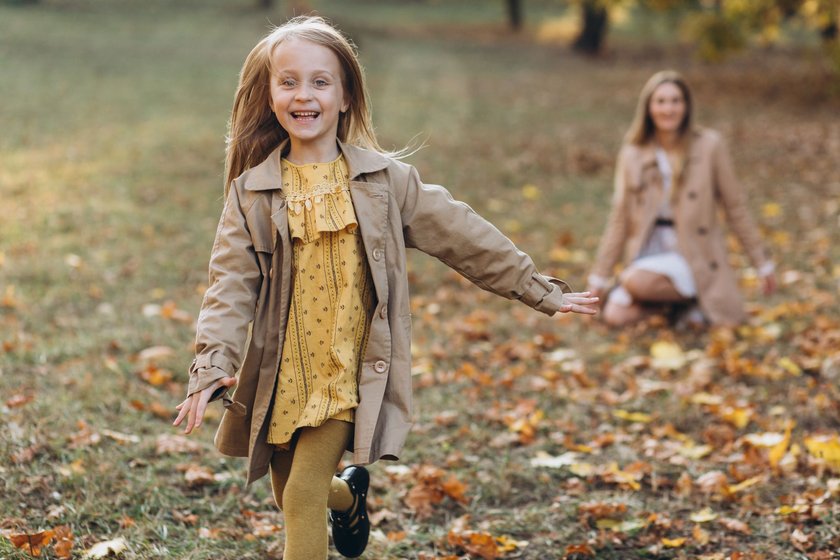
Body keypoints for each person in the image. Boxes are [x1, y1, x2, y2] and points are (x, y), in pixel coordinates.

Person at [172, 16, 598, 560]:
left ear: (346, 95)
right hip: (282, 374)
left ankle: (334, 496)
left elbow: (464, 234)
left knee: (300, 497)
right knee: (290, 494)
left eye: (321, 82)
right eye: (289, 82)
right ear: (270, 94)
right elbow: (230, 286)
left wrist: (539, 289)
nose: (304, 95)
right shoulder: (252, 193)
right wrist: (211, 365)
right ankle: (348, 498)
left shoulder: (384, 182)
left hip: (346, 370)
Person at [586, 70, 776, 328]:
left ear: (686, 106)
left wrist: (761, 263)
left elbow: (736, 207)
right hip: (648, 249)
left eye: (676, 101)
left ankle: (697, 297)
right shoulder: (633, 153)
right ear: (649, 107)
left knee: (637, 282)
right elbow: (619, 219)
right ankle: (683, 307)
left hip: (691, 250)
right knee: (616, 316)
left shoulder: (709, 146)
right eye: (661, 101)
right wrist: (599, 276)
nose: (668, 109)